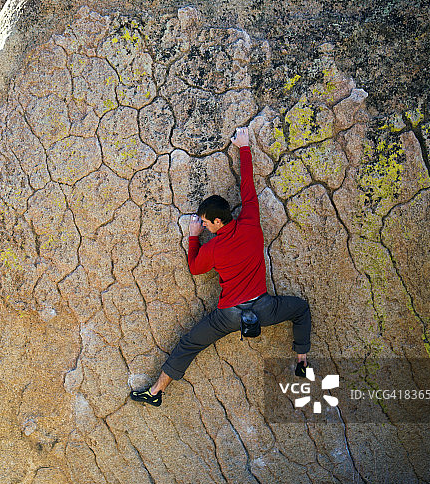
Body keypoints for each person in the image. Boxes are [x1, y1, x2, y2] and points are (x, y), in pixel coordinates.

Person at [130, 126, 311, 407]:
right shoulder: (250, 221)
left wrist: (193, 238)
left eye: (204, 222)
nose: (202, 225)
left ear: (217, 222)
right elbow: (248, 187)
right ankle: (302, 359)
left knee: (189, 344)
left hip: (229, 316)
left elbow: (194, 268)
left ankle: (155, 392)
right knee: (300, 308)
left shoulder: (212, 248)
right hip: (264, 309)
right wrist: (244, 146)